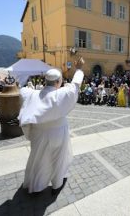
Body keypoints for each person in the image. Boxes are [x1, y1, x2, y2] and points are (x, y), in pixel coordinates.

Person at [18, 57, 85, 195]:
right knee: (58, 158)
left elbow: (20, 91)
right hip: (58, 133)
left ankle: (36, 186)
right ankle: (57, 184)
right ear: (58, 82)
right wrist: (78, 69)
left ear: (44, 81)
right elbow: (76, 85)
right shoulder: (62, 94)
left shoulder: (31, 94)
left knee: (39, 160)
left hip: (38, 133)